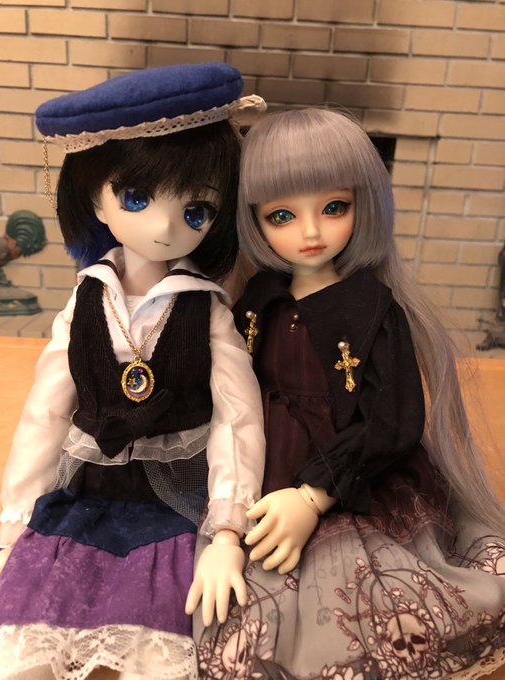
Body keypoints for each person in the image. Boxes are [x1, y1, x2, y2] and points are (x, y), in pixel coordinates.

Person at [194, 108, 505, 680]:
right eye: (282, 216)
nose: (311, 233)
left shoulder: (372, 308)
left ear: (363, 205)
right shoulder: (258, 299)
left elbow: (392, 420)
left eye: (333, 207)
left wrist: (313, 497)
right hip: (262, 465)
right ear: (253, 219)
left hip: (353, 473)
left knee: (358, 598)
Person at [0, 63, 266, 680]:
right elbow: (45, 412)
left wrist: (228, 528)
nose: (165, 227)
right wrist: (14, 522)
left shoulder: (207, 311)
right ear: (94, 197)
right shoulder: (86, 301)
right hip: (85, 488)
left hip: (173, 498)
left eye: (196, 209)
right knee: (30, 634)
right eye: (137, 198)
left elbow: (237, 418)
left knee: (156, 640)